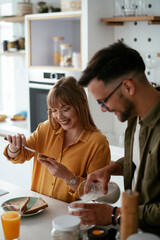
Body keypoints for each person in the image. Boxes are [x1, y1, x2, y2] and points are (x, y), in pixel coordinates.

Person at [69, 41, 160, 235]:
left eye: (103, 101)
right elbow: (141, 162)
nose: (103, 109)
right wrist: (112, 168)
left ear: (127, 87)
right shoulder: (135, 116)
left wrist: (116, 214)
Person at [3, 76, 110, 203]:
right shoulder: (46, 128)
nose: (59, 116)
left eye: (65, 109)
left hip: (72, 218)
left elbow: (96, 194)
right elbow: (20, 156)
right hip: (39, 210)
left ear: (81, 105)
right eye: (54, 110)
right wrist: (14, 147)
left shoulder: (98, 143)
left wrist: (68, 177)